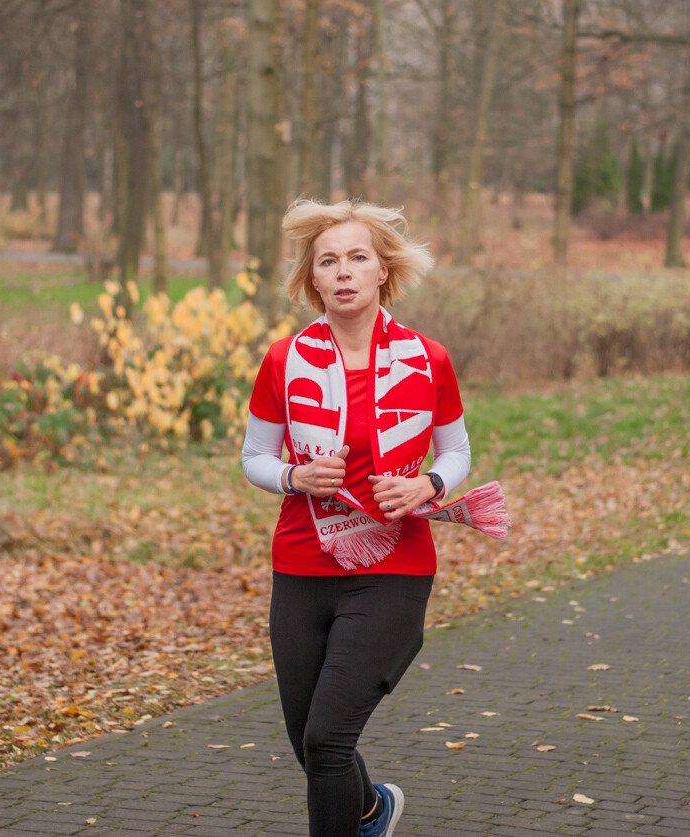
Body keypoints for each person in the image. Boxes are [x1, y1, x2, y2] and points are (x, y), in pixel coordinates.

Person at [241, 198, 507, 837]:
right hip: (302, 561)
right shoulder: (284, 360)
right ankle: (370, 810)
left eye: (358, 257)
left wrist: (428, 484)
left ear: (382, 271)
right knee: (309, 743)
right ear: (313, 278)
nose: (343, 272)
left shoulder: (426, 358)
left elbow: (456, 450)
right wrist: (295, 477)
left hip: (393, 566)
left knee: (328, 739)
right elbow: (254, 457)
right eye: (327, 261)